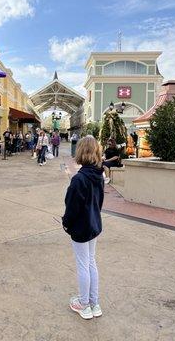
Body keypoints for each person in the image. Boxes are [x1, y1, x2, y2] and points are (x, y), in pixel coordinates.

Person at [62, 135, 104, 320]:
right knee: (91, 262)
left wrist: (66, 223)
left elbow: (71, 207)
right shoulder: (99, 175)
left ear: (80, 151)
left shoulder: (79, 179)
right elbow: (100, 202)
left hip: (81, 228)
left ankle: (84, 304)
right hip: (94, 224)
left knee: (83, 264)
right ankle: (94, 303)